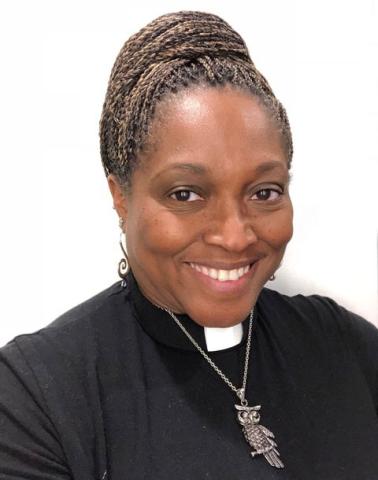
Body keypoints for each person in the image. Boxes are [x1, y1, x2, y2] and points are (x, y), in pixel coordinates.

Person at [0, 10, 377, 480]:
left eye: (264, 192)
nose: (235, 235)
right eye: (185, 194)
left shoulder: (346, 348)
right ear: (121, 195)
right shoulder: (38, 397)